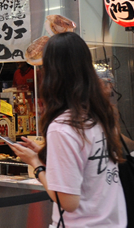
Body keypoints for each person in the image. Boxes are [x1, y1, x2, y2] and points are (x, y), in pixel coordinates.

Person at [9, 32, 126, 228]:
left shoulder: (62, 127)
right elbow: (90, 165)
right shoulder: (102, 114)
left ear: (52, 73)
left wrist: (36, 164)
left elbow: (68, 202)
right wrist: (46, 154)